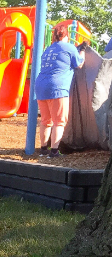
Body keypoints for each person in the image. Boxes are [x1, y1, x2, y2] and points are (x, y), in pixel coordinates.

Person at [34, 24, 85, 158]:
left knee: (46, 121)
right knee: (59, 121)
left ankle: (43, 150)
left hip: (40, 86)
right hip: (57, 87)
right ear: (67, 35)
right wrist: (83, 50)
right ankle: (54, 152)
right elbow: (79, 64)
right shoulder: (69, 47)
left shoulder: (48, 49)